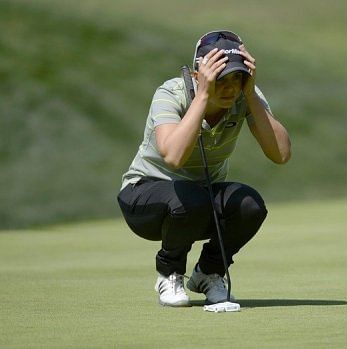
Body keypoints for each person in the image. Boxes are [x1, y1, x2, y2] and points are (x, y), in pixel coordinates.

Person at [117, 30, 291, 307]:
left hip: (198, 202)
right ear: (199, 75)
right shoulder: (170, 93)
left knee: (250, 205)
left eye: (237, 77)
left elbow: (280, 154)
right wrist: (201, 97)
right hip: (144, 199)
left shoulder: (246, 96)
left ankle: (208, 273)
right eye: (221, 78)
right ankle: (169, 272)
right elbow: (174, 157)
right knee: (190, 198)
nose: (230, 87)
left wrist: (251, 94)